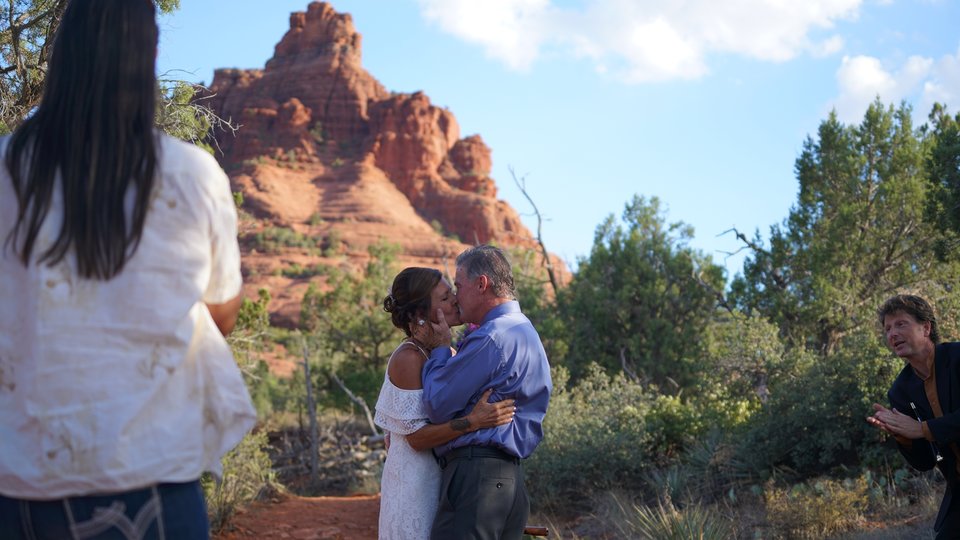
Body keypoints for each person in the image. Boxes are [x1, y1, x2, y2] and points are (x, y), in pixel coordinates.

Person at [0, 1, 256, 538]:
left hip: (16, 477)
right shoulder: (191, 174)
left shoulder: (6, 167)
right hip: (148, 478)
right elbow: (223, 315)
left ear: (62, 56)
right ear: (149, 57)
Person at [414, 245, 552, 540]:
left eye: (459, 286)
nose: (456, 296)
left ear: (481, 284)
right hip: (508, 481)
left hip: (477, 479)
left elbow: (436, 404)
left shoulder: (491, 337)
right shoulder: (524, 330)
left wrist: (440, 349)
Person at [375, 267, 517, 540]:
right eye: (444, 298)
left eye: (453, 292)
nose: (454, 299)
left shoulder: (447, 353)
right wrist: (473, 422)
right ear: (419, 315)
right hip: (414, 488)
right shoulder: (409, 358)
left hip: (446, 485)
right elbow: (415, 439)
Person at [868, 294, 960, 539]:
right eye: (887, 329)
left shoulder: (958, 357)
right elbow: (924, 462)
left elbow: (926, 430)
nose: (892, 334)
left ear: (926, 327)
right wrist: (903, 437)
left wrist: (922, 429)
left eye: (900, 324)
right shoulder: (900, 390)